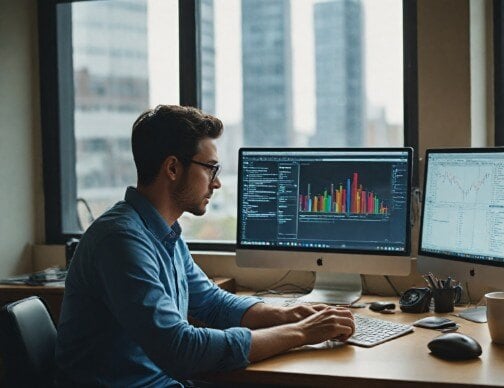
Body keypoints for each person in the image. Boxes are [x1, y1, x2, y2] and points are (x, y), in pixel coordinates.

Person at [55, 105, 355, 387]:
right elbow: (181, 349)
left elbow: (211, 302)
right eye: (211, 168)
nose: (217, 183)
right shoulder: (120, 241)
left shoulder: (163, 231)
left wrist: (292, 315)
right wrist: (302, 333)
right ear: (172, 168)